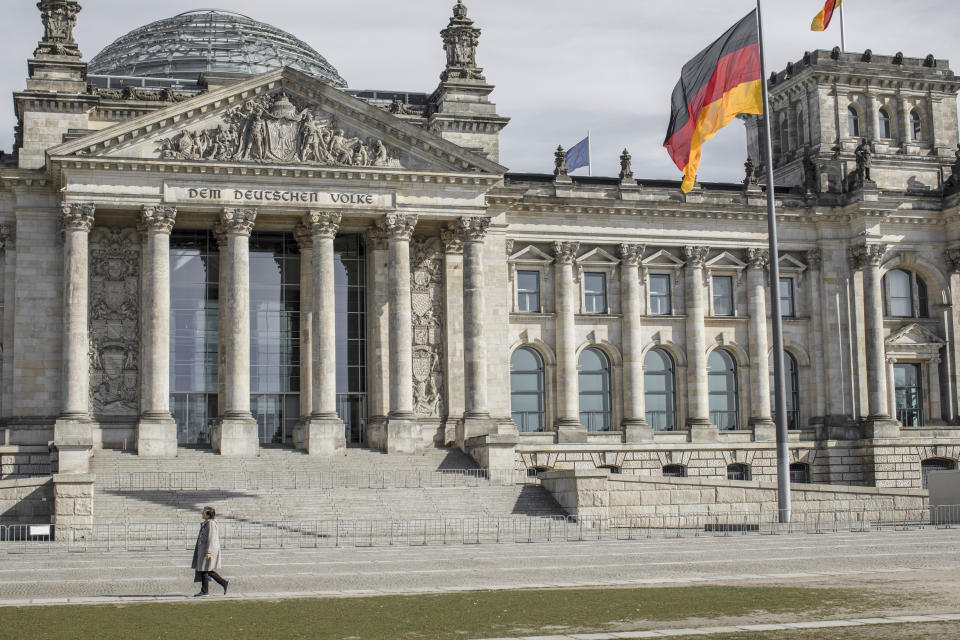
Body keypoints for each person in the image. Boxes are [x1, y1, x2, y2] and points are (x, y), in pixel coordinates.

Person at [192, 506, 228, 596]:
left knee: (205, 569)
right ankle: (223, 583)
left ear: (208, 515)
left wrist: (209, 551)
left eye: (204, 512)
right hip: (204, 549)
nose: (202, 514)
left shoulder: (211, 523)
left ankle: (205, 591)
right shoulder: (207, 523)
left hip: (207, 550)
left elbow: (211, 538)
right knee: (206, 569)